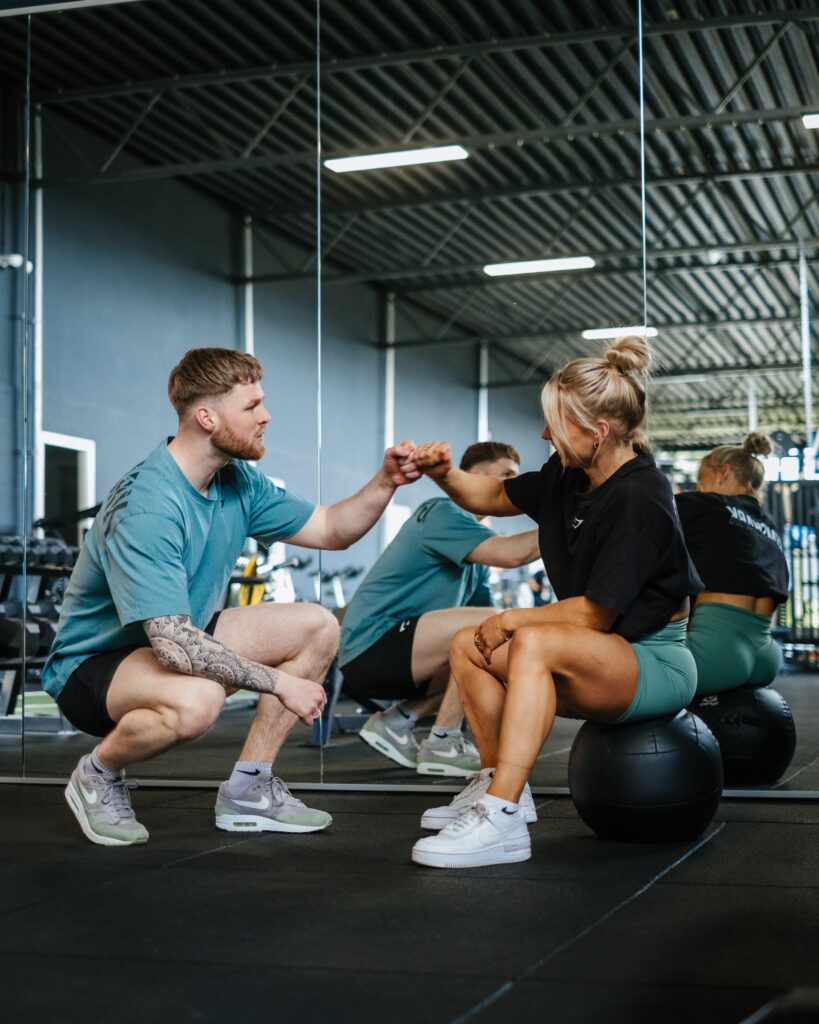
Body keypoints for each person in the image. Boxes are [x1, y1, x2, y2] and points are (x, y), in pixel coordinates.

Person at [42, 347, 420, 847]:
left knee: (318, 624)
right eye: (252, 406)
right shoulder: (149, 506)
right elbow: (175, 647)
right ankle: (98, 773)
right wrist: (281, 684)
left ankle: (249, 789)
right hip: (94, 665)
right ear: (206, 417)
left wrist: (385, 481)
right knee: (198, 702)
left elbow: (330, 528)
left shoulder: (236, 480)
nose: (266, 416)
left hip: (172, 634)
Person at [404, 334, 703, 869]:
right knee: (465, 646)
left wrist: (513, 619)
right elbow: (490, 496)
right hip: (596, 649)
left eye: (556, 424)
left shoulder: (641, 494)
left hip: (653, 659)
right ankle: (500, 787)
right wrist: (442, 472)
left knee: (532, 641)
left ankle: (503, 822)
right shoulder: (571, 474)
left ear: (600, 430)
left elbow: (596, 611)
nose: (544, 433)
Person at [338, 442, 540, 777]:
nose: (513, 487)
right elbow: (511, 555)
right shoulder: (443, 513)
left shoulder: (476, 548)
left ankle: (397, 721)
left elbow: (492, 625)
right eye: (507, 476)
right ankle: (443, 742)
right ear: (475, 477)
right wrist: (571, 522)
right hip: (369, 650)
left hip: (405, 655)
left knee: (495, 640)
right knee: (492, 624)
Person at [676, 434, 789, 694]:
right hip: (766, 656)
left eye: (700, 482)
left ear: (723, 472)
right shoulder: (769, 529)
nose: (698, 489)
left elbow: (647, 516)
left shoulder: (704, 504)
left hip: (716, 652)